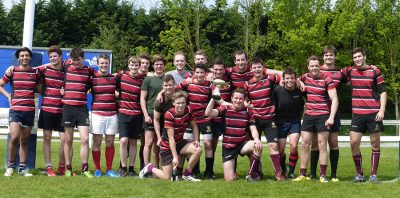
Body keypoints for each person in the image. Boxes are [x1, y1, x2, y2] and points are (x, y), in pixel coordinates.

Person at [139, 91, 202, 182]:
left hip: (180, 142)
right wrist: (175, 156)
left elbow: (195, 126)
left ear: (186, 102)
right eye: (178, 103)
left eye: (183, 103)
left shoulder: (189, 110)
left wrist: (196, 140)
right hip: (167, 146)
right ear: (173, 103)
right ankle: (150, 168)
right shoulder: (169, 114)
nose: (180, 105)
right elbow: (171, 138)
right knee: (167, 178)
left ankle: (187, 174)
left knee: (198, 149)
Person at [293, 55, 338, 183]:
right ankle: (302, 174)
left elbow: (334, 99)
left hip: (323, 115)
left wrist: (331, 117)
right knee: (304, 144)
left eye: (316, 66)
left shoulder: (327, 79)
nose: (314, 68)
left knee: (322, 145)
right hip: (308, 115)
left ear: (320, 66)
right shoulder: (304, 77)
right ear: (308, 67)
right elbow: (291, 78)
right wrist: (299, 81)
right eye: (312, 66)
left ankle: (322, 175)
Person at [346, 47, 387, 183]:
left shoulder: (375, 71)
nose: (357, 59)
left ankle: (373, 175)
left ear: (364, 56)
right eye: (355, 57)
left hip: (373, 114)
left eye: (359, 56)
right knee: (353, 143)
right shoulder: (350, 71)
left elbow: (383, 92)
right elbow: (332, 73)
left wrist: (381, 110)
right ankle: (360, 174)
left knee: (375, 144)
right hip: (357, 114)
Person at [205, 88, 263, 182]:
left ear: (244, 100)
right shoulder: (225, 108)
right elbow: (208, 113)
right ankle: (254, 167)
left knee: (257, 145)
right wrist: (213, 98)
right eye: (236, 98)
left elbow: (253, 128)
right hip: (229, 147)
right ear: (231, 98)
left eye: (240, 99)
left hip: (242, 144)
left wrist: (256, 138)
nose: (238, 101)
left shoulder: (248, 111)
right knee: (229, 180)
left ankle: (251, 175)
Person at [1, 47, 40, 177]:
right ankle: (10, 167)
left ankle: (22, 169)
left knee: (24, 140)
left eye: (26, 55)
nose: (24, 57)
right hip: (15, 110)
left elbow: (41, 89)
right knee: (15, 137)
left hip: (29, 110)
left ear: (30, 58)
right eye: (22, 55)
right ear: (18, 58)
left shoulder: (35, 73)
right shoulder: (12, 71)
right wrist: (8, 96)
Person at [243, 58, 284, 180]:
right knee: (256, 146)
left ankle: (278, 173)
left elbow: (284, 76)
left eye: (259, 67)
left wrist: (298, 82)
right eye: (254, 68)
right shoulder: (247, 84)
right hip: (255, 120)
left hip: (269, 119)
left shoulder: (270, 78)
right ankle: (255, 172)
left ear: (263, 68)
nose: (257, 70)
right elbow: (245, 100)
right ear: (251, 69)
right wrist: (247, 105)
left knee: (274, 146)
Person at [309, 46, 346, 181]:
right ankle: (313, 173)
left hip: (333, 113)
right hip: (317, 113)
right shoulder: (316, 69)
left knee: (333, 142)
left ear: (335, 57)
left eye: (331, 55)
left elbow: (353, 78)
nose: (328, 57)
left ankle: (334, 174)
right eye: (326, 55)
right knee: (316, 143)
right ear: (323, 57)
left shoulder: (341, 73)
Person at [62, 48, 95, 178]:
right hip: (68, 108)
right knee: (68, 139)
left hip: (82, 109)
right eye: (74, 60)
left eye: (78, 60)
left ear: (83, 58)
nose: (76, 62)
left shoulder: (89, 70)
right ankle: (68, 168)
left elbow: (102, 76)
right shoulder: (66, 66)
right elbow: (51, 65)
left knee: (85, 139)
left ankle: (85, 169)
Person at [177, 64, 213, 179]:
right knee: (189, 145)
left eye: (202, 72)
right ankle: (193, 171)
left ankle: (208, 172)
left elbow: (218, 94)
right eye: (197, 72)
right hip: (190, 120)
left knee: (208, 145)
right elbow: (175, 90)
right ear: (194, 72)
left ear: (205, 73)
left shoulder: (209, 85)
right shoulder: (188, 83)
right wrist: (161, 94)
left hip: (205, 119)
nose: (199, 75)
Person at [116, 55, 149, 176]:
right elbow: (113, 87)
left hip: (137, 114)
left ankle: (131, 169)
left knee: (134, 142)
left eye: (136, 65)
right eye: (132, 65)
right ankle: (123, 168)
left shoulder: (143, 79)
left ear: (139, 66)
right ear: (128, 65)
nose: (134, 67)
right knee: (123, 141)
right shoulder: (121, 75)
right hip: (123, 113)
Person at [36, 46, 66, 176]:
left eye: (55, 56)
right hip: (47, 108)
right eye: (51, 57)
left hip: (62, 110)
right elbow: (30, 72)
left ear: (60, 56)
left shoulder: (67, 70)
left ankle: (61, 167)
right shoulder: (44, 69)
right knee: (47, 138)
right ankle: (48, 167)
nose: (53, 58)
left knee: (65, 139)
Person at [90, 54, 119, 178]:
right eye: (101, 63)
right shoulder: (92, 79)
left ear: (109, 63)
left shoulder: (114, 79)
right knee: (96, 142)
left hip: (112, 115)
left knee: (110, 142)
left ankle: (109, 170)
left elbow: (119, 93)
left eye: (106, 63)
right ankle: (97, 169)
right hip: (97, 114)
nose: (104, 65)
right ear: (98, 63)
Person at [273, 67, 304, 179]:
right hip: (280, 122)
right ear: (284, 79)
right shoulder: (277, 90)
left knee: (293, 145)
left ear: (295, 79)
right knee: (280, 150)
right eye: (287, 78)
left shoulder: (300, 89)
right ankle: (283, 169)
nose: (290, 80)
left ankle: (291, 172)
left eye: (292, 78)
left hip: (294, 122)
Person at [140, 55, 166, 169]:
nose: (159, 66)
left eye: (161, 64)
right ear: (153, 66)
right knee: (148, 142)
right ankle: (146, 167)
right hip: (150, 113)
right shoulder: (148, 79)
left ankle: (156, 167)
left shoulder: (167, 78)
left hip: (164, 115)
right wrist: (145, 115)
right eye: (156, 64)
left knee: (159, 143)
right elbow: (142, 98)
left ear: (164, 66)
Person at [208, 59, 232, 180]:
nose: (218, 71)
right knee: (212, 145)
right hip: (214, 116)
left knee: (230, 143)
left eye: (220, 69)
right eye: (215, 69)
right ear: (213, 69)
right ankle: (210, 171)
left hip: (228, 117)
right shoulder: (209, 81)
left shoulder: (229, 81)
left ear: (224, 69)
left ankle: (232, 170)